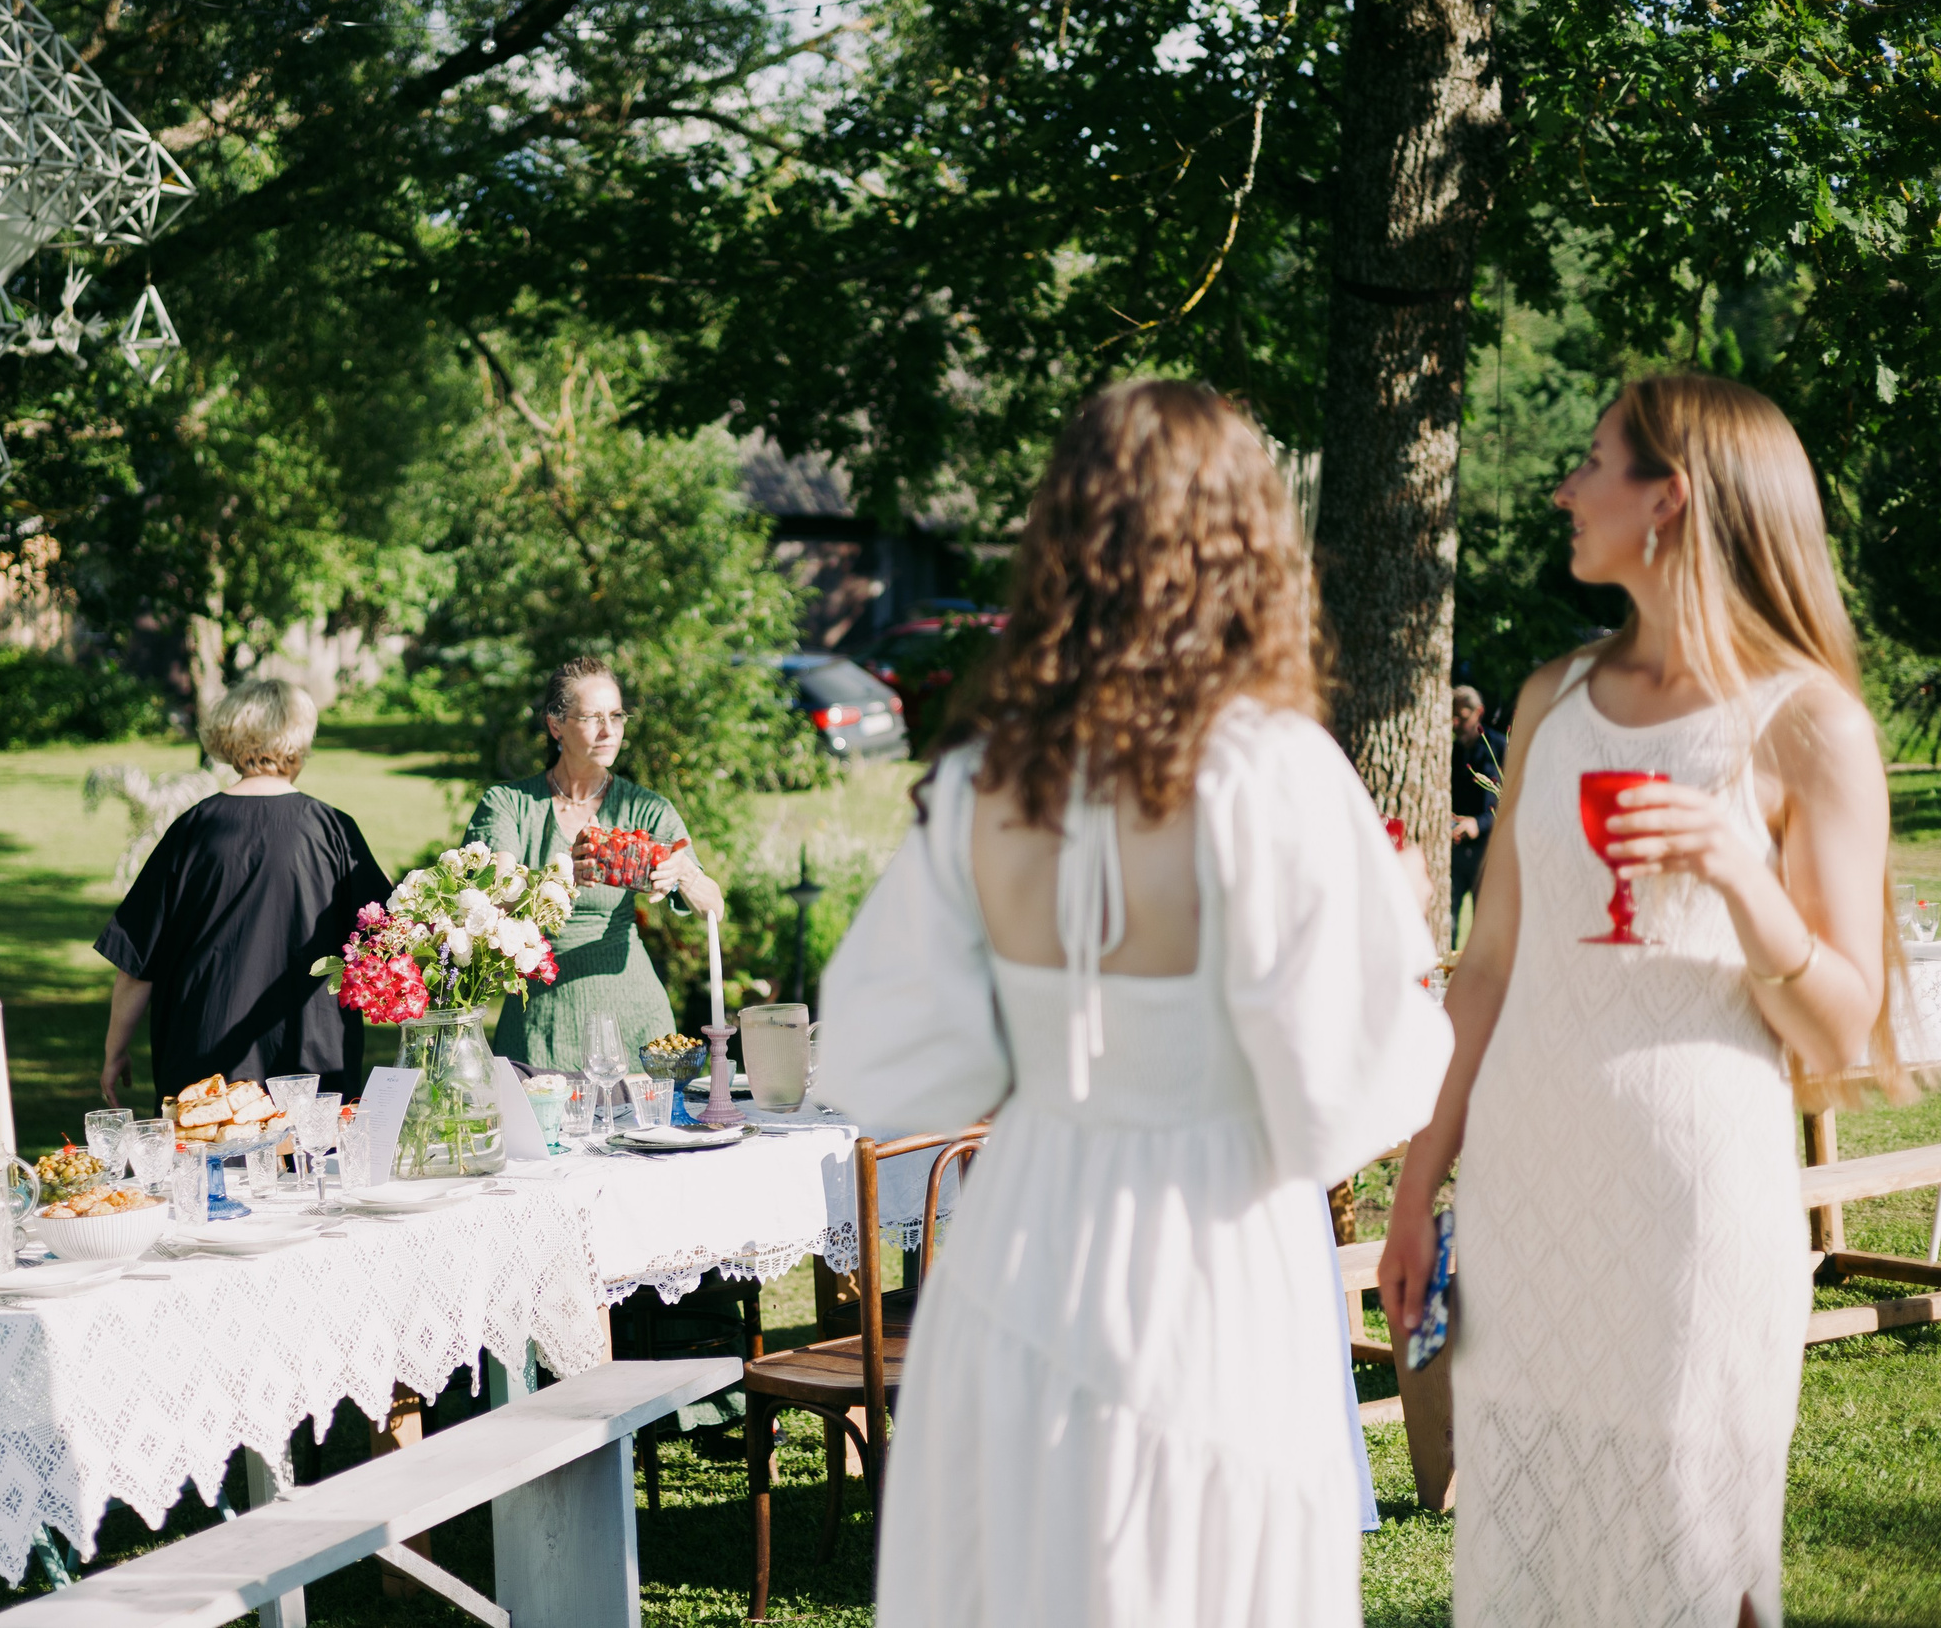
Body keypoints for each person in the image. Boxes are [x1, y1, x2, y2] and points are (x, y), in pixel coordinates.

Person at [818, 381, 1453, 1624]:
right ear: (1242, 543)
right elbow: (1337, 1093)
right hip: (1211, 1252)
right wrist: (1405, 933)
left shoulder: (990, 778)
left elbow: (892, 1060)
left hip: (1022, 1242)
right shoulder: (1268, 771)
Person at [1376, 375, 1909, 1628]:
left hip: (1689, 1218)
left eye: (1593, 461)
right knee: (1533, 1567)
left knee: (1691, 1562)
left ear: (1668, 498)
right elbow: (1491, 965)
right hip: (1524, 1208)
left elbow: (1838, 1023)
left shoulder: (1808, 725)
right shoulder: (1550, 699)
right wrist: (1416, 1187)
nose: (1564, 487)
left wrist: (1737, 874)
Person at [94, 677, 393, 1110]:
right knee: (314, 1175)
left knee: (209, 1174)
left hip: (205, 1061)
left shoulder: (193, 830)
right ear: (299, 741)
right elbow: (386, 941)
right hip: (312, 1060)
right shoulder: (333, 831)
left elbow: (138, 961)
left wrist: (114, 1051)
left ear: (227, 737)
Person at [461, 657, 726, 1069]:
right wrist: (559, 877)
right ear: (556, 725)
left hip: (633, 1017)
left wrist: (684, 875)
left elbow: (714, 908)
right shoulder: (508, 805)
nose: (609, 731)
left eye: (616, 716)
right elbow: (484, 908)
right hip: (541, 1019)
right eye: (592, 718)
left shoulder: (645, 808)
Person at [1450, 684, 1508, 942]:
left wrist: (1479, 823)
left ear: (1479, 713)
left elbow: (1507, 800)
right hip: (1456, 848)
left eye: (1462, 718)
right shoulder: (1453, 750)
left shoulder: (1500, 748)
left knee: (1484, 929)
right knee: (1448, 920)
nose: (1456, 724)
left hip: (1488, 851)